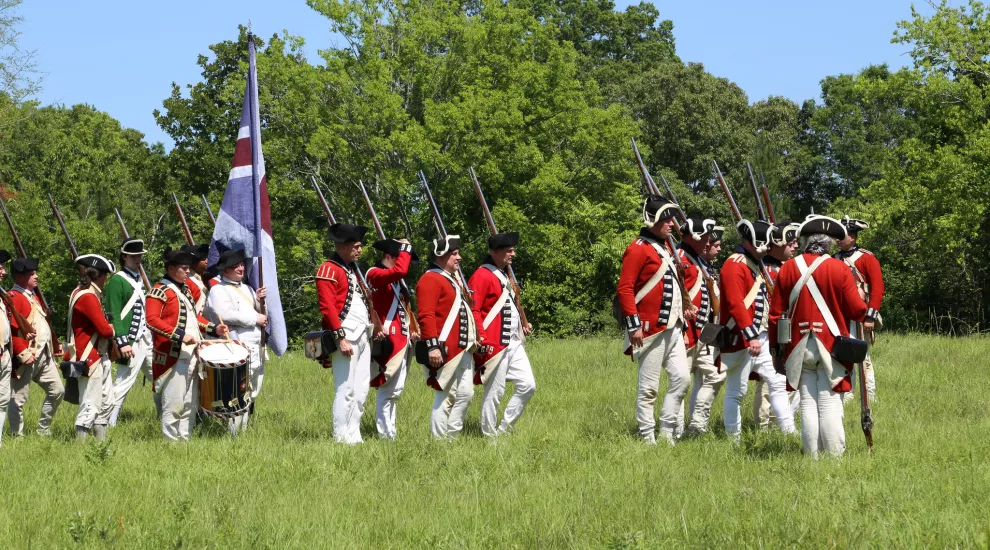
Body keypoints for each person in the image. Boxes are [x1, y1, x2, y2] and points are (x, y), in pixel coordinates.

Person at [769, 215, 868, 457]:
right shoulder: (839, 268)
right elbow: (857, 310)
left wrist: (776, 351)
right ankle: (834, 458)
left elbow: (775, 315)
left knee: (808, 404)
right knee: (830, 402)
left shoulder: (788, 268)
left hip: (797, 345)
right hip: (831, 345)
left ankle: (812, 457)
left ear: (805, 241)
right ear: (829, 243)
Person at [617, 195, 696, 445]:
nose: (672, 224)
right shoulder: (638, 248)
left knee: (682, 379)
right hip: (649, 328)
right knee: (649, 387)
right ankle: (647, 436)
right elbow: (625, 289)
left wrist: (683, 310)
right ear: (652, 220)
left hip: (673, 327)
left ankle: (667, 430)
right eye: (666, 219)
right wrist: (634, 326)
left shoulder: (664, 247)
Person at [718, 219, 796, 441]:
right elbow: (735, 304)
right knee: (736, 391)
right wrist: (750, 335)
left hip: (760, 336)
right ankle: (734, 439)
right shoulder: (734, 264)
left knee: (778, 383)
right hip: (741, 337)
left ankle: (789, 432)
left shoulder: (753, 264)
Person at [146, 248, 228, 441]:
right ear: (171, 268)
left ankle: (184, 441)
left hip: (192, 354)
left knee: (190, 403)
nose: (188, 273)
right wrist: (179, 335)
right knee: (174, 403)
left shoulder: (184, 290)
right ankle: (169, 443)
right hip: (173, 355)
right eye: (184, 269)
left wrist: (213, 328)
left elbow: (193, 318)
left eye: (188, 269)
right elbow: (151, 320)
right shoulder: (159, 291)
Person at [316, 224, 384, 445]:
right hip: (346, 336)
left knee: (361, 389)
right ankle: (341, 436)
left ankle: (354, 435)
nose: (360, 250)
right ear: (343, 247)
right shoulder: (328, 269)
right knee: (345, 389)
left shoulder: (352, 270)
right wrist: (340, 338)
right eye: (356, 246)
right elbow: (327, 308)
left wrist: (376, 324)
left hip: (362, 335)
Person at [469, 232, 536, 437]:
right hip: (495, 344)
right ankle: (489, 436)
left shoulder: (503, 274)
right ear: (496, 252)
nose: (513, 254)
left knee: (528, 385)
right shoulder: (482, 275)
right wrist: (482, 338)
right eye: (509, 251)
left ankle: (504, 430)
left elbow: (510, 306)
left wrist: (522, 324)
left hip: (513, 342)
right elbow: (474, 309)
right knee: (494, 392)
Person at [416, 234, 477, 439]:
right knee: (445, 396)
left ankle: (453, 435)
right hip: (445, 349)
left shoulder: (451, 280)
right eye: (454, 254)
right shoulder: (430, 279)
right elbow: (426, 315)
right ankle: (440, 441)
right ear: (440, 256)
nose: (459, 258)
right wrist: (433, 347)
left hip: (463, 348)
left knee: (466, 395)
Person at [204, 248, 267, 435]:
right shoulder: (217, 289)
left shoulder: (247, 288)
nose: (240, 268)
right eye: (235, 266)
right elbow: (224, 314)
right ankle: (233, 432)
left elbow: (258, 312)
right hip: (238, 344)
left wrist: (259, 301)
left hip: (256, 344)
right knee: (237, 391)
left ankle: (243, 430)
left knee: (252, 390)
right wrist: (254, 319)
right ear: (225, 271)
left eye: (241, 264)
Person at [365, 237, 417, 440]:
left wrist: (412, 329)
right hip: (387, 341)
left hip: (402, 341)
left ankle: (390, 431)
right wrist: (405, 248)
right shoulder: (374, 273)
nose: (404, 264)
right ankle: (385, 434)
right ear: (389, 256)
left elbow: (403, 312)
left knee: (395, 390)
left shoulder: (396, 282)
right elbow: (400, 270)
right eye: (400, 258)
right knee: (387, 389)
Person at [7, 257, 64, 438]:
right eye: (32, 274)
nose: (36, 276)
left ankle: (43, 430)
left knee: (57, 391)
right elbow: (11, 328)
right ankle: (18, 436)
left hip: (43, 356)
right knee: (18, 400)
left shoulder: (34, 297)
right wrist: (22, 353)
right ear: (20, 277)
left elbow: (44, 324)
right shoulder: (14, 298)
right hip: (26, 357)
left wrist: (55, 344)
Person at [754, 222, 801, 430]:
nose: (795, 246)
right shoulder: (766, 269)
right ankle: (765, 425)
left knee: (781, 382)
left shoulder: (783, 268)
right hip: (772, 330)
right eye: (790, 243)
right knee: (769, 382)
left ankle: (777, 422)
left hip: (784, 329)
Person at [675, 218, 720, 435]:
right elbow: (674, 298)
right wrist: (681, 325)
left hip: (702, 333)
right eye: (704, 237)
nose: (708, 241)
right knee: (680, 384)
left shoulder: (698, 261)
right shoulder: (680, 259)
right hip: (685, 334)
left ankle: (697, 425)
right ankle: (675, 431)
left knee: (716, 375)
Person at [66, 254, 117, 441]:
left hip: (97, 354)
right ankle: (81, 450)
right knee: (90, 405)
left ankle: (100, 445)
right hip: (89, 357)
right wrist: (113, 329)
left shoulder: (83, 292)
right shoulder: (87, 296)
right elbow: (104, 330)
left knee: (106, 403)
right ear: (101, 276)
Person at [106, 238, 155, 425]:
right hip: (130, 341)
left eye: (139, 255)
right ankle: (109, 422)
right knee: (124, 382)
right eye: (133, 256)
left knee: (160, 379)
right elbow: (114, 315)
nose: (137, 259)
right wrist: (122, 341)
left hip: (147, 339)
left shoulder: (138, 279)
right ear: (124, 256)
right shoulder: (117, 280)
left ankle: (164, 418)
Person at [836, 216, 884, 402]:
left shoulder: (867, 258)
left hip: (860, 315)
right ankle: (847, 395)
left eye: (842, 235)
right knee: (842, 356)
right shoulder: (833, 259)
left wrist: (870, 316)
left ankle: (869, 397)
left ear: (853, 237)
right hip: (840, 316)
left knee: (863, 359)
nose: (838, 239)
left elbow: (877, 289)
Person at [0, 250, 13, 446]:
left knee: (3, 399)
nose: (3, 271)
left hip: (4, 354)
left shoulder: (2, 294)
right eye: (0, 267)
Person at [181, 244, 210, 314]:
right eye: (203, 258)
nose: (207, 261)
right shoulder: (186, 282)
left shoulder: (205, 278)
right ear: (193, 261)